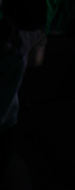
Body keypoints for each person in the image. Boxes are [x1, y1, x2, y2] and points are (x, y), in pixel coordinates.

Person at [8, 0, 48, 70]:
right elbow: (11, 8)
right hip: (23, 29)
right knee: (20, 64)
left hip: (36, 28)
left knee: (32, 63)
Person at [0, 17, 27, 181]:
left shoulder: (17, 60)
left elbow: (8, 95)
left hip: (6, 119)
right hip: (7, 118)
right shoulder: (17, 59)